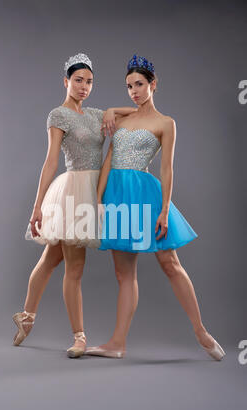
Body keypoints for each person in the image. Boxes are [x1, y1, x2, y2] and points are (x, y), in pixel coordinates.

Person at [85, 54, 226, 361]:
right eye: (128, 86)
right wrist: (97, 199)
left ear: (153, 84)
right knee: (123, 275)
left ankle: (200, 331)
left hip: (145, 195)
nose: (133, 91)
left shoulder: (166, 123)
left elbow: (167, 170)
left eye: (139, 84)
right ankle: (117, 343)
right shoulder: (121, 119)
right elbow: (108, 160)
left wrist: (164, 210)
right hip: (117, 195)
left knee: (170, 264)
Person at [12, 53, 136, 358]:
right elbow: (51, 161)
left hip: (96, 191)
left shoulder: (96, 115)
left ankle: (25, 316)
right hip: (72, 192)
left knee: (51, 258)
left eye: (89, 81)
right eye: (78, 80)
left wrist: (109, 110)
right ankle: (79, 336)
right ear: (66, 81)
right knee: (74, 267)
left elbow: (137, 113)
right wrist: (37, 206)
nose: (84, 86)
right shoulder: (58, 115)